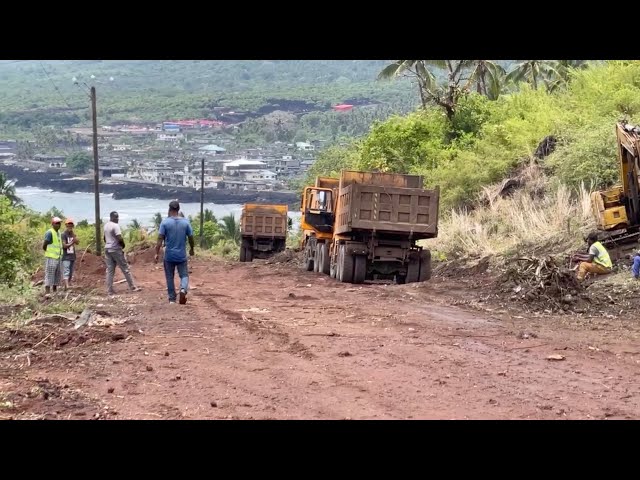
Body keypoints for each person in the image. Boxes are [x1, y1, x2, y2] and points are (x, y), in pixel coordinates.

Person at [155, 200, 194, 304]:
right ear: (178, 210)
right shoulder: (185, 222)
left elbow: (160, 239)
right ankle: (183, 290)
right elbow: (191, 238)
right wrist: (192, 249)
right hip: (181, 255)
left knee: (169, 277)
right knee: (184, 275)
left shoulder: (165, 222)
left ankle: (172, 299)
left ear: (169, 209)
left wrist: (156, 253)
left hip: (169, 256)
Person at [104, 211, 141, 295]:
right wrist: (122, 246)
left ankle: (109, 290)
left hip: (107, 249)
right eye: (116, 217)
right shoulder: (115, 226)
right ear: (112, 217)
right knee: (125, 268)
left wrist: (109, 243)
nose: (117, 219)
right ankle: (133, 287)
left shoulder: (106, 225)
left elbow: (104, 238)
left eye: (118, 217)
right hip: (115, 249)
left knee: (110, 270)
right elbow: (119, 238)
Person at [42, 217, 63, 294]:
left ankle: (55, 290)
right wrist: (48, 252)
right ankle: (47, 292)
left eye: (59, 223)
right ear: (53, 224)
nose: (59, 225)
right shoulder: (49, 232)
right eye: (57, 223)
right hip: (51, 257)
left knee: (57, 274)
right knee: (50, 274)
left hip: (58, 257)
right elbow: (44, 245)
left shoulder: (59, 233)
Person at [61, 218, 79, 290]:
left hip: (72, 256)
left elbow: (77, 242)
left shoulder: (73, 234)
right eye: (68, 225)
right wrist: (73, 242)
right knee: (66, 271)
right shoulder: (63, 235)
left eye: (71, 225)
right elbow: (64, 246)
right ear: (66, 225)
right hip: (66, 256)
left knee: (71, 272)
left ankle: (67, 285)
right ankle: (67, 286)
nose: (70, 226)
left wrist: (76, 240)